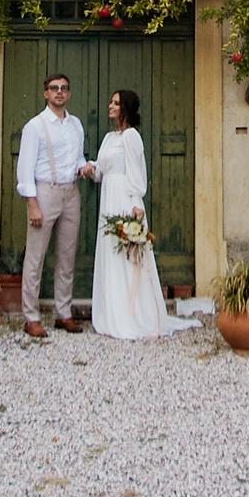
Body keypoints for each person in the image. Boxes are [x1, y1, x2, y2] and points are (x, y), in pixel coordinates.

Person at [87, 88, 196, 340]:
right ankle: (111, 312)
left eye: (115, 103)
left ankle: (133, 313)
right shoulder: (108, 138)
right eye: (111, 102)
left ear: (125, 108)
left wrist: (136, 204)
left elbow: (136, 171)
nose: (110, 106)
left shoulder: (131, 136)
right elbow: (102, 172)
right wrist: (89, 168)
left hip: (126, 199)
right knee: (110, 252)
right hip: (109, 197)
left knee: (128, 255)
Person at [15, 72, 88, 336]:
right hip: (44, 192)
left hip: (71, 192)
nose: (59, 92)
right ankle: (31, 317)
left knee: (67, 257)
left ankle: (63, 313)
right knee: (35, 257)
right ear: (46, 93)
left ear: (68, 94)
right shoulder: (35, 126)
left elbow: (78, 158)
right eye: (54, 88)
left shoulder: (76, 125)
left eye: (64, 88)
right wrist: (32, 203)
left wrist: (85, 168)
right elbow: (25, 168)